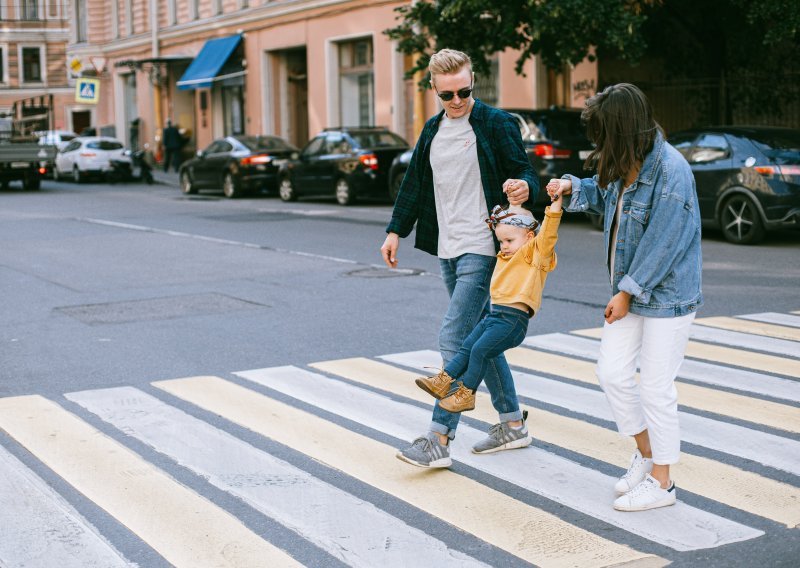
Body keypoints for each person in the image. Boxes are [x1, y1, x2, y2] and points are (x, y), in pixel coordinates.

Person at [546, 83, 702, 512]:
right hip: (629, 292)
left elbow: (664, 243)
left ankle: (664, 483)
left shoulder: (671, 173)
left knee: (655, 387)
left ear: (620, 129)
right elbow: (600, 194)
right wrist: (569, 188)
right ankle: (647, 453)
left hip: (667, 296)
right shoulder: (623, 159)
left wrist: (628, 292)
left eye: (602, 134)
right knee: (611, 373)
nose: (598, 143)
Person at [380, 48, 538, 468]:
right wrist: (396, 230)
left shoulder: (495, 123)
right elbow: (414, 183)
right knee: (482, 341)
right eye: (447, 94)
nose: (457, 101)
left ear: (473, 83)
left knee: (455, 339)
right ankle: (512, 424)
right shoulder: (432, 130)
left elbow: (525, 171)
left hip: (484, 246)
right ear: (433, 88)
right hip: (447, 247)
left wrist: (523, 187)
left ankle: (438, 439)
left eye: (464, 91)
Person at [417, 198, 562, 415]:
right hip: (495, 317)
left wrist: (556, 203)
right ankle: (443, 380)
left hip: (513, 321)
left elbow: (549, 231)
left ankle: (466, 395)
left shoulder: (535, 255)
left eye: (509, 241)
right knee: (468, 346)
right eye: (501, 241)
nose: (503, 246)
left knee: (479, 351)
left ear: (530, 237)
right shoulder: (505, 255)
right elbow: (506, 229)